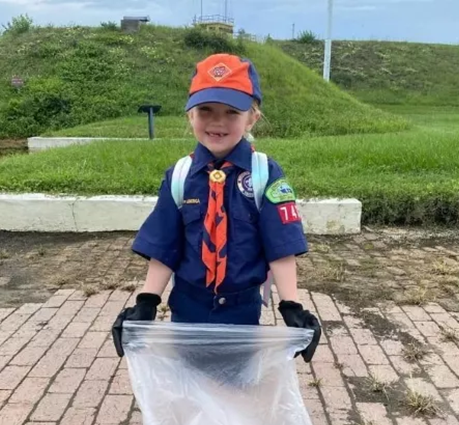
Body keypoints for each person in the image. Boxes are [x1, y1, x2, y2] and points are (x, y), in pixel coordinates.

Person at [110, 53, 319, 361]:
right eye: (205, 110)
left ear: (252, 118)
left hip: (242, 312)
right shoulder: (179, 176)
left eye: (232, 111)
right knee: (190, 390)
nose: (217, 122)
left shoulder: (265, 175)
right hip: (187, 308)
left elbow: (281, 247)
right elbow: (165, 246)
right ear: (190, 116)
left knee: (237, 387)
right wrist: (147, 301)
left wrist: (291, 305)